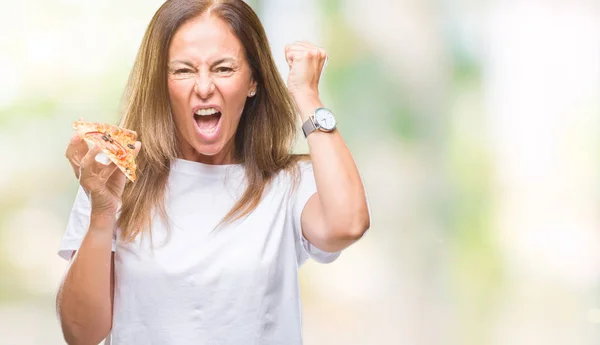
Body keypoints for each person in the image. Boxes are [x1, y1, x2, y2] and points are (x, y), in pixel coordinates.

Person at [56, 0, 370, 344]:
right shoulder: (112, 178)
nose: (204, 87)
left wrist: (308, 96)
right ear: (161, 83)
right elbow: (81, 334)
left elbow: (348, 225)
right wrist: (102, 213)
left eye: (223, 69)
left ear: (253, 80)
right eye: (183, 70)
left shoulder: (288, 183)